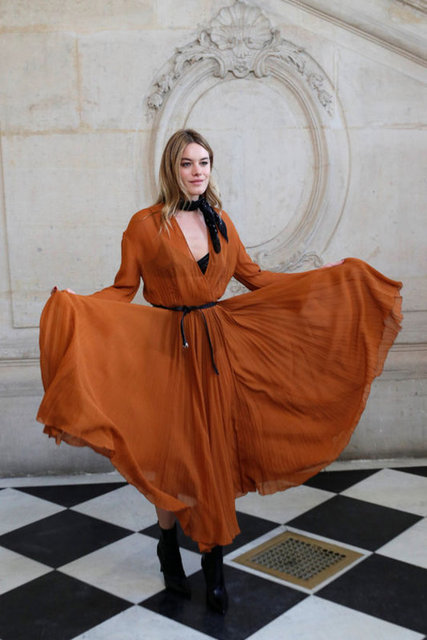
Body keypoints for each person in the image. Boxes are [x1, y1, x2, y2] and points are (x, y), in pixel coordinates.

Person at [37, 129, 402, 615]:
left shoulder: (221, 220)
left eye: (204, 162)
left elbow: (254, 277)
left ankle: (214, 567)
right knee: (173, 456)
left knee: (213, 455)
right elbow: (124, 289)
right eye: (187, 163)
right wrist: (76, 303)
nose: (197, 172)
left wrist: (322, 277)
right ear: (171, 169)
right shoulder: (144, 225)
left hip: (217, 350)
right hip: (167, 351)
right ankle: (169, 546)